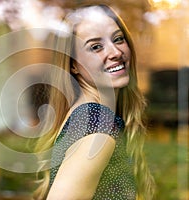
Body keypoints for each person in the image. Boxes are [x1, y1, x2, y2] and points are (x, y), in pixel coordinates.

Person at [33, 4, 155, 200]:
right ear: (73, 65)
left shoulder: (85, 113)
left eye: (118, 39)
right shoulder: (97, 126)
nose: (115, 52)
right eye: (96, 47)